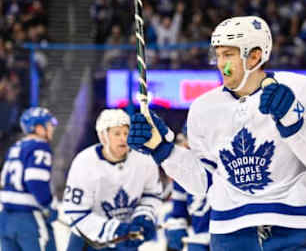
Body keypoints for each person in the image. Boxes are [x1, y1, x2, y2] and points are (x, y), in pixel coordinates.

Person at [128, 16, 306, 250]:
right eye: (218, 55)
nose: (221, 64)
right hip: (229, 235)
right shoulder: (203, 108)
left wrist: (293, 121)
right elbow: (205, 181)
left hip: (293, 230)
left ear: (255, 56)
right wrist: (163, 149)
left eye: (228, 55)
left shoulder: (299, 89)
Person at [63, 109, 163, 251]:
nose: (123, 138)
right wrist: (115, 230)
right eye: (117, 134)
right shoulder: (84, 162)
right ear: (103, 137)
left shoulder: (144, 160)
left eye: (126, 133)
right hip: (89, 240)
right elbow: (76, 213)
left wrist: (144, 217)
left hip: (126, 239)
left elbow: (152, 194)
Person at [0, 107, 58, 251]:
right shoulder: (40, 147)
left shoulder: (16, 147)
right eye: (49, 125)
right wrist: (48, 205)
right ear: (39, 128)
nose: (52, 129)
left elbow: (3, 180)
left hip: (5, 218)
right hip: (27, 219)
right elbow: (35, 181)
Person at [164, 125, 210, 251]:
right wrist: (175, 225)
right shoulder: (183, 174)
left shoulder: (225, 165)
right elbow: (178, 211)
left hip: (229, 240)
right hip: (198, 241)